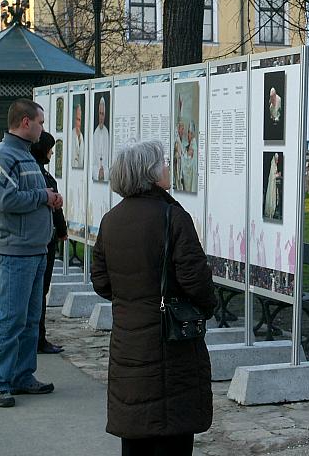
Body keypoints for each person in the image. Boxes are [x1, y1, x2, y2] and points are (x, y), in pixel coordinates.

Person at [90, 140, 216, 454]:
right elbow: (195, 279)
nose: (168, 168)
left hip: (127, 341)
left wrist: (132, 299)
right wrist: (205, 307)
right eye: (162, 163)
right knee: (172, 430)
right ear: (149, 173)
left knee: (135, 428)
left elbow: (101, 281)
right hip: (170, 341)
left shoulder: (111, 220)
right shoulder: (172, 217)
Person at [0, 99, 63, 408]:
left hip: (34, 249)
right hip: (15, 252)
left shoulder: (25, 156)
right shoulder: (3, 156)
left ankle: (22, 375)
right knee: (12, 319)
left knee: (30, 319)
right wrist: (43, 196)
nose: (43, 128)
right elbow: (5, 199)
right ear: (26, 123)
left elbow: (26, 196)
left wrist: (48, 200)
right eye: (40, 122)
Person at [30, 131, 68, 354]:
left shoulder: (38, 172)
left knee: (39, 292)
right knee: (39, 291)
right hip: (44, 239)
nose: (52, 153)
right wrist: (62, 231)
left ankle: (37, 337)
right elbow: (55, 209)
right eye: (49, 148)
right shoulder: (40, 175)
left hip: (43, 236)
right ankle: (37, 338)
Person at [92, 97, 110, 182]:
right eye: (100, 113)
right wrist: (97, 172)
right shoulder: (94, 133)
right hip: (96, 174)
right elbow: (91, 160)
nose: (101, 117)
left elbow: (110, 160)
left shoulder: (108, 133)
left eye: (103, 114)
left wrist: (105, 172)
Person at [71, 104, 84, 169]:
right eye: (76, 119)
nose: (77, 123)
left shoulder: (81, 136)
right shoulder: (71, 135)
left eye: (79, 120)